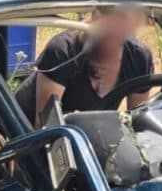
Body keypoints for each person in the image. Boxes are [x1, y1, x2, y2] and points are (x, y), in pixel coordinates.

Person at [15, 9, 154, 124]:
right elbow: (44, 127)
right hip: (23, 133)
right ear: (96, 15)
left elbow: (137, 122)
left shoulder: (139, 58)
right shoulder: (63, 51)